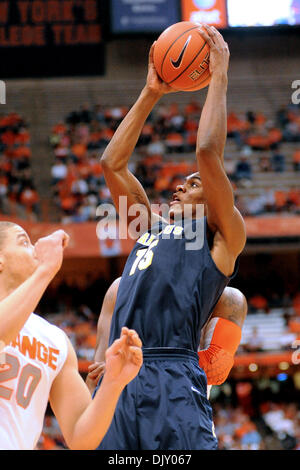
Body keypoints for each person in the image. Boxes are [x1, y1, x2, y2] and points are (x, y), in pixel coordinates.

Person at [96, 24, 246, 450]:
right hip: (122, 376)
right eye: (181, 182)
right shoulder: (149, 227)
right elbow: (112, 163)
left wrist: (218, 77)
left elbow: (207, 153)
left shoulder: (221, 237)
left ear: (216, 198)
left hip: (173, 373)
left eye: (196, 184)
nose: (181, 184)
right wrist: (151, 92)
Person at [0, 221, 143, 450]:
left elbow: (80, 439)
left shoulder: (54, 340)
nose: (36, 247)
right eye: (24, 242)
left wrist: (113, 383)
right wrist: (46, 270)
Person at [86, 279, 247, 397]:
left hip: (185, 413)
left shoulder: (227, 298)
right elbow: (97, 376)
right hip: (126, 412)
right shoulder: (120, 288)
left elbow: (215, 369)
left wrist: (131, 367)